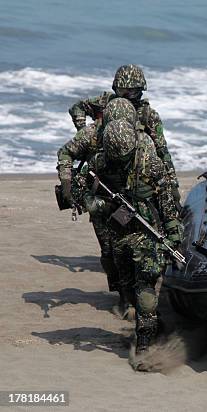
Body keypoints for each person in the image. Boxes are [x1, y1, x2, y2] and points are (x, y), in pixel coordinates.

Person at [87, 119, 182, 365]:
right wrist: (100, 204)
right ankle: (154, 325)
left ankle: (144, 346)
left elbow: (168, 204)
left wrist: (174, 237)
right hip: (119, 234)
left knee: (146, 290)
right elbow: (83, 192)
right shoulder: (99, 163)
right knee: (127, 287)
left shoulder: (151, 165)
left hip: (148, 235)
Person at [56, 98, 140, 313]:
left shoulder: (138, 134)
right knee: (109, 249)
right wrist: (67, 183)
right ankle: (122, 294)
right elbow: (65, 153)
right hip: (101, 200)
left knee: (131, 245)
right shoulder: (91, 134)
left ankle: (136, 294)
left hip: (131, 199)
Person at [68, 64, 180, 203]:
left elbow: (162, 151)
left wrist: (172, 184)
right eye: (122, 91)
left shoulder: (148, 115)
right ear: (115, 89)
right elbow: (77, 108)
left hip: (134, 167)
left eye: (131, 92)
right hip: (104, 164)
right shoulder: (106, 103)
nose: (126, 96)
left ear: (140, 91)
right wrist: (83, 132)